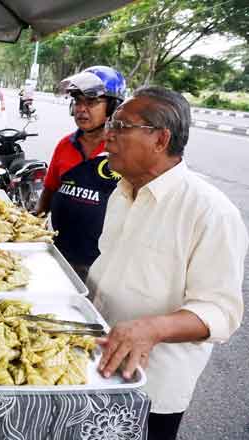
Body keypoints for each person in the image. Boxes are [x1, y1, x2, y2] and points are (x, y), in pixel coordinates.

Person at [88, 86, 247, 440]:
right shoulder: (122, 191)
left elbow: (221, 312)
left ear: (160, 139)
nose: (107, 135)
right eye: (111, 124)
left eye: (121, 126)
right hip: (96, 361)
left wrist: (151, 329)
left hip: (150, 387)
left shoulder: (211, 212)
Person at [35, 66, 126, 281]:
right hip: (59, 253)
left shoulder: (122, 149)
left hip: (102, 265)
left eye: (92, 102)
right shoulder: (65, 145)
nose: (81, 109)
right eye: (77, 101)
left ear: (113, 106)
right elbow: (48, 193)